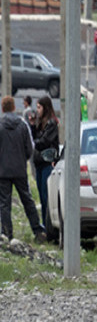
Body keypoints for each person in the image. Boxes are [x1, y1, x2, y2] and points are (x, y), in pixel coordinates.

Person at [0, 95, 46, 243]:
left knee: (4, 203)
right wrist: (22, 159)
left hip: (3, 171)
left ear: (2, 108)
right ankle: (38, 231)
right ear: (14, 108)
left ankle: (7, 234)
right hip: (20, 169)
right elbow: (30, 148)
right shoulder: (23, 125)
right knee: (27, 200)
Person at [31, 96, 58, 235]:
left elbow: (44, 142)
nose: (37, 110)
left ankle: (50, 227)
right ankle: (45, 224)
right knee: (41, 196)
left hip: (47, 162)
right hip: (39, 163)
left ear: (45, 108)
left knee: (47, 196)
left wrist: (35, 142)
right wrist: (32, 124)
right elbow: (34, 136)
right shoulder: (40, 123)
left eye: (39, 107)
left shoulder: (51, 123)